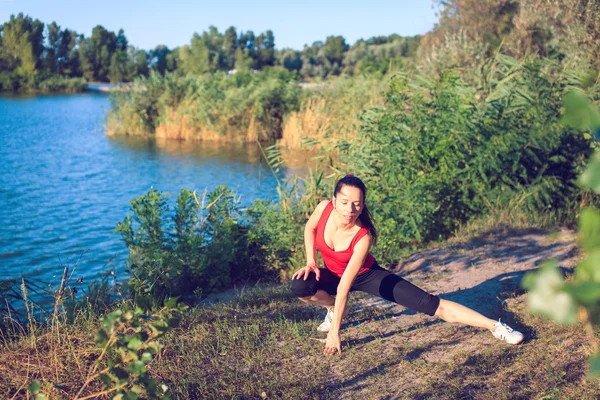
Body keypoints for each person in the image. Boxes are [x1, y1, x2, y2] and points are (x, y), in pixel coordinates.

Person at [291, 174, 524, 356]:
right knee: (300, 287)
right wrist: (311, 261)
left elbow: (345, 287)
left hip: (366, 276)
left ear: (363, 206)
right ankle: (332, 308)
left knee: (430, 304)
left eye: (357, 204)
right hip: (332, 274)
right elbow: (310, 228)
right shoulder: (323, 208)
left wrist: (335, 333)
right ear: (334, 200)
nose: (350, 210)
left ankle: (495, 327)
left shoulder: (362, 236)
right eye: (344, 202)